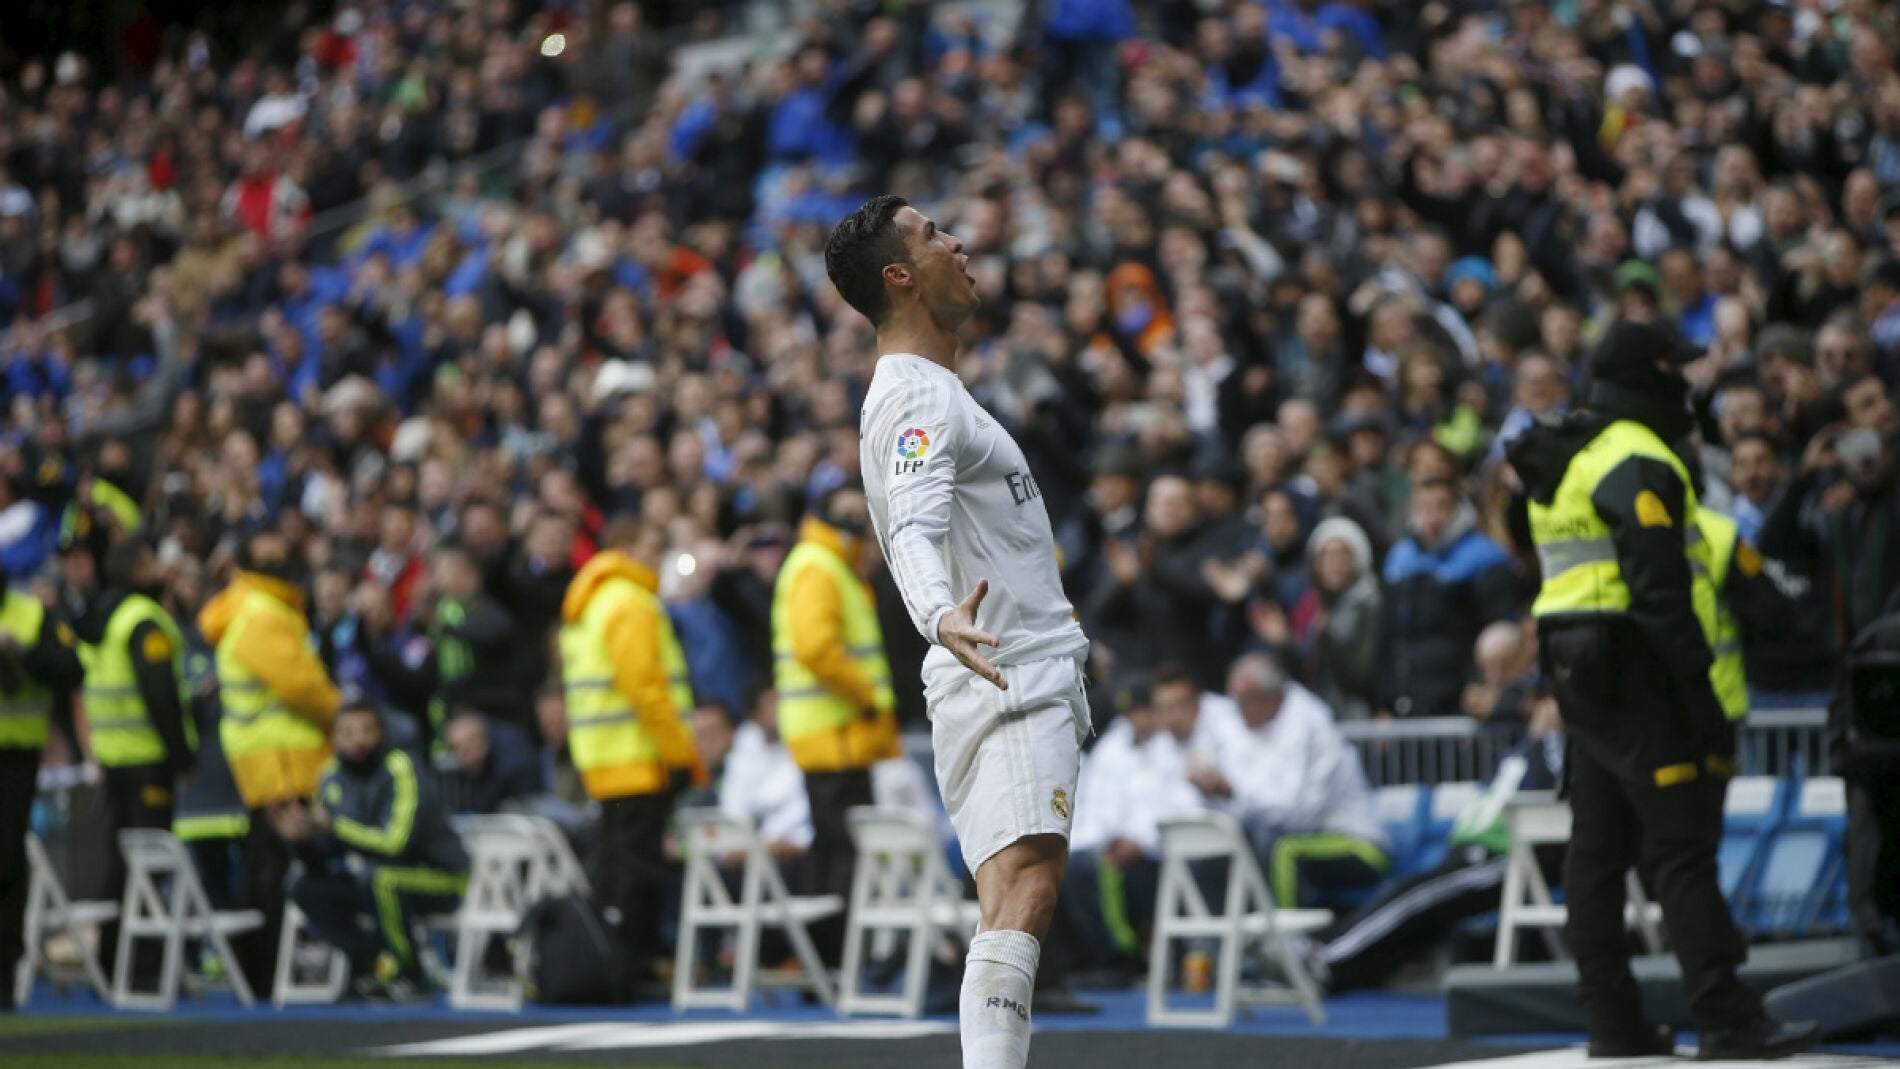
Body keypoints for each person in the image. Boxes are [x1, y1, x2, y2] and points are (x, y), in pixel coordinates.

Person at [1507, 319, 1819, 1059]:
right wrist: (1699, 695)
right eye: (1676, 368)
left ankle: (1612, 1024)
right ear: (1650, 374)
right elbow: (1659, 594)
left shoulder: (1567, 456)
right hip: (1634, 667)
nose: (1688, 381)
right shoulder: (1639, 456)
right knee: (1680, 850)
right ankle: (1726, 1016)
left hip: (1575, 669)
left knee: (1598, 849)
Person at [832, 194, 1092, 1069]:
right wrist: (938, 615)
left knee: (1009, 897)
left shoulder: (932, 392)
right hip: (1004, 671)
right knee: (1027, 890)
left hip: (1003, 667)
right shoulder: (916, 399)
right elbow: (909, 523)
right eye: (935, 234)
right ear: (900, 275)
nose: (959, 242)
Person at [1302, 696, 1565, 993]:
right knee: (1422, 903)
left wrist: (1553, 734)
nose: (1541, 711)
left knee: (1417, 895)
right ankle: (1343, 968)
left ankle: (1326, 955)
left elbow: (1555, 784)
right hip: (1480, 846)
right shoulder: (1525, 747)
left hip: (1508, 852)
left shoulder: (1559, 745)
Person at [558, 514, 705, 998]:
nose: (658, 556)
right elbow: (646, 691)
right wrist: (682, 755)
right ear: (625, 546)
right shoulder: (629, 603)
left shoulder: (592, 602)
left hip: (605, 761)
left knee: (617, 870)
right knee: (637, 874)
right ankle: (632, 971)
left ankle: (615, 966)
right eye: (651, 543)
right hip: (639, 759)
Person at [197, 526, 342, 997]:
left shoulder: (251, 609)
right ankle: (264, 972)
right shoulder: (264, 614)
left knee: (264, 867)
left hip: (264, 757)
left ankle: (261, 970)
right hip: (284, 758)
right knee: (276, 872)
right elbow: (301, 687)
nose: (280, 563)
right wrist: (346, 717)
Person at [770, 483, 897, 964]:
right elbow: (817, 648)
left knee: (836, 850)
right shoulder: (818, 566)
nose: (856, 521)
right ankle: (834, 957)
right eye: (844, 512)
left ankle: (830, 957)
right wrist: (866, 697)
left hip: (839, 734)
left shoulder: (834, 565)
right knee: (840, 853)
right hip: (834, 733)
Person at [277, 700, 468, 998]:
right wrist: (301, 839)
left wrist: (334, 827)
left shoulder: (401, 767)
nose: (359, 740)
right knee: (301, 886)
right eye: (348, 732)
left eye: (367, 730)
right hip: (371, 876)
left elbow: (396, 844)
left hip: (439, 877)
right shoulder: (330, 775)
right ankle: (369, 960)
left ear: (382, 733)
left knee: (379, 879)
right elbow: (327, 855)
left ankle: (410, 972)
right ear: (335, 738)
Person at [72, 538, 197, 979]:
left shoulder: (97, 618)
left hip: (112, 759)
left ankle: (111, 962)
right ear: (140, 571)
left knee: (120, 866)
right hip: (148, 759)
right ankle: (142, 967)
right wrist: (183, 756)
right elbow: (160, 694)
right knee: (150, 868)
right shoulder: (142, 621)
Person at [1211, 654, 1388, 910]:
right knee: (1233, 848)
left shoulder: (1309, 722)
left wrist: (1232, 792)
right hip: (1301, 838)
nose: (1236, 709)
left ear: (1268, 696)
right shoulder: (1252, 724)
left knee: (1283, 851)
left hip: (1358, 843)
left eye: (1241, 701)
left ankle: (1288, 944)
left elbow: (1298, 816)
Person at [0, 571, 82, 1010]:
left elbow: (71, 670)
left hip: (15, 758)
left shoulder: (32, 615)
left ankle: (3, 976)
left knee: (6, 865)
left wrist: (21, 651)